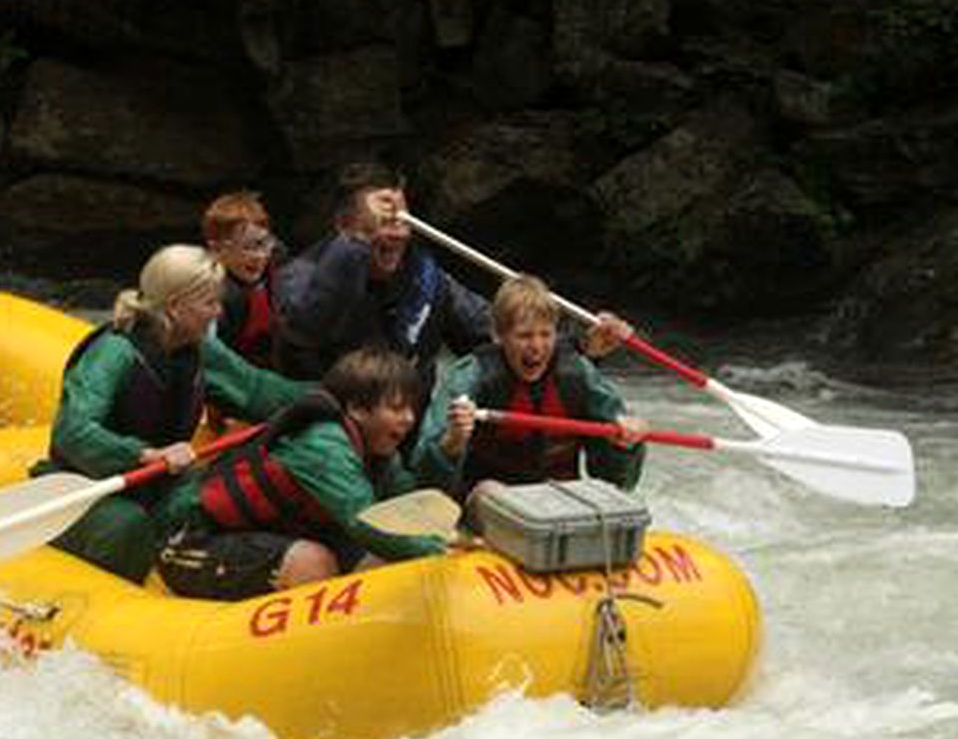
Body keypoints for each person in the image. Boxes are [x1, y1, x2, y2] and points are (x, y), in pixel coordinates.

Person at [36, 244, 308, 582]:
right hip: (84, 486)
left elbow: (256, 390)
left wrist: (338, 391)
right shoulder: (114, 352)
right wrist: (144, 454)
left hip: (154, 482)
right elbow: (73, 431)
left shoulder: (197, 349)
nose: (218, 312)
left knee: (217, 492)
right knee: (126, 524)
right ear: (176, 307)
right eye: (209, 302)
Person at [156, 347, 447, 601]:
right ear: (357, 408)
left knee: (378, 562)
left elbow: (410, 500)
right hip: (189, 541)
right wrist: (440, 551)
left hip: (260, 533)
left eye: (411, 408)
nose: (409, 418)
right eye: (396, 408)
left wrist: (449, 451)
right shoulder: (323, 446)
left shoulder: (380, 451)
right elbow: (365, 522)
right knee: (314, 564)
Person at [412, 274, 647, 501]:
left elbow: (618, 483)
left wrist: (626, 445)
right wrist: (452, 442)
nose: (537, 346)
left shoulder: (579, 373)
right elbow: (424, 477)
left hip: (558, 499)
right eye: (524, 336)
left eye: (546, 334)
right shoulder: (470, 375)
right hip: (486, 501)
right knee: (489, 490)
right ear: (498, 335)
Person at [273, 162, 492, 395]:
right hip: (335, 419)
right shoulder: (299, 276)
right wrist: (357, 242)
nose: (398, 234)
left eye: (403, 221)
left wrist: (522, 317)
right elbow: (307, 330)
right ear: (344, 225)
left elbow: (485, 329)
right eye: (384, 222)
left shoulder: (423, 274)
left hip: (411, 416)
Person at [202, 190, 283, 370]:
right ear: (216, 249)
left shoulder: (272, 265)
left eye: (263, 243)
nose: (259, 256)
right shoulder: (218, 296)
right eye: (247, 247)